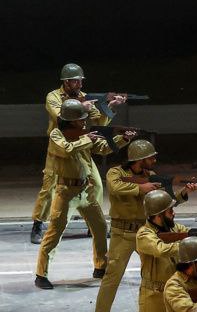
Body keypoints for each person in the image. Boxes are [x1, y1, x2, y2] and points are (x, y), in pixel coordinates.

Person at [92, 140, 197, 312]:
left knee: (161, 273)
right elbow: (115, 188)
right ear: (139, 159)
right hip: (122, 233)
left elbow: (166, 204)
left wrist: (184, 192)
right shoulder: (116, 173)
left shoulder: (151, 176)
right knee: (112, 277)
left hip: (147, 232)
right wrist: (141, 188)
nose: (154, 160)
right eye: (151, 157)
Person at [32, 64, 127, 245]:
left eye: (81, 81)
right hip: (60, 144)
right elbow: (60, 116)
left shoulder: (85, 97)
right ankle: (38, 224)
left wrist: (110, 107)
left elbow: (99, 123)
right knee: (49, 187)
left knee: (96, 185)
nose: (80, 84)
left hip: (83, 144)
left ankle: (93, 224)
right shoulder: (53, 96)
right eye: (76, 81)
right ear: (66, 82)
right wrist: (82, 107)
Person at [33, 99, 122, 290]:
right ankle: (41, 274)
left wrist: (123, 139)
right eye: (81, 119)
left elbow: (103, 149)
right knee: (55, 233)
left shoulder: (83, 134)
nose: (84, 121)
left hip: (86, 191)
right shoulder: (56, 135)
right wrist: (87, 138)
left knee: (100, 227)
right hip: (66, 192)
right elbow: (67, 149)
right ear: (71, 120)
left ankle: (100, 266)